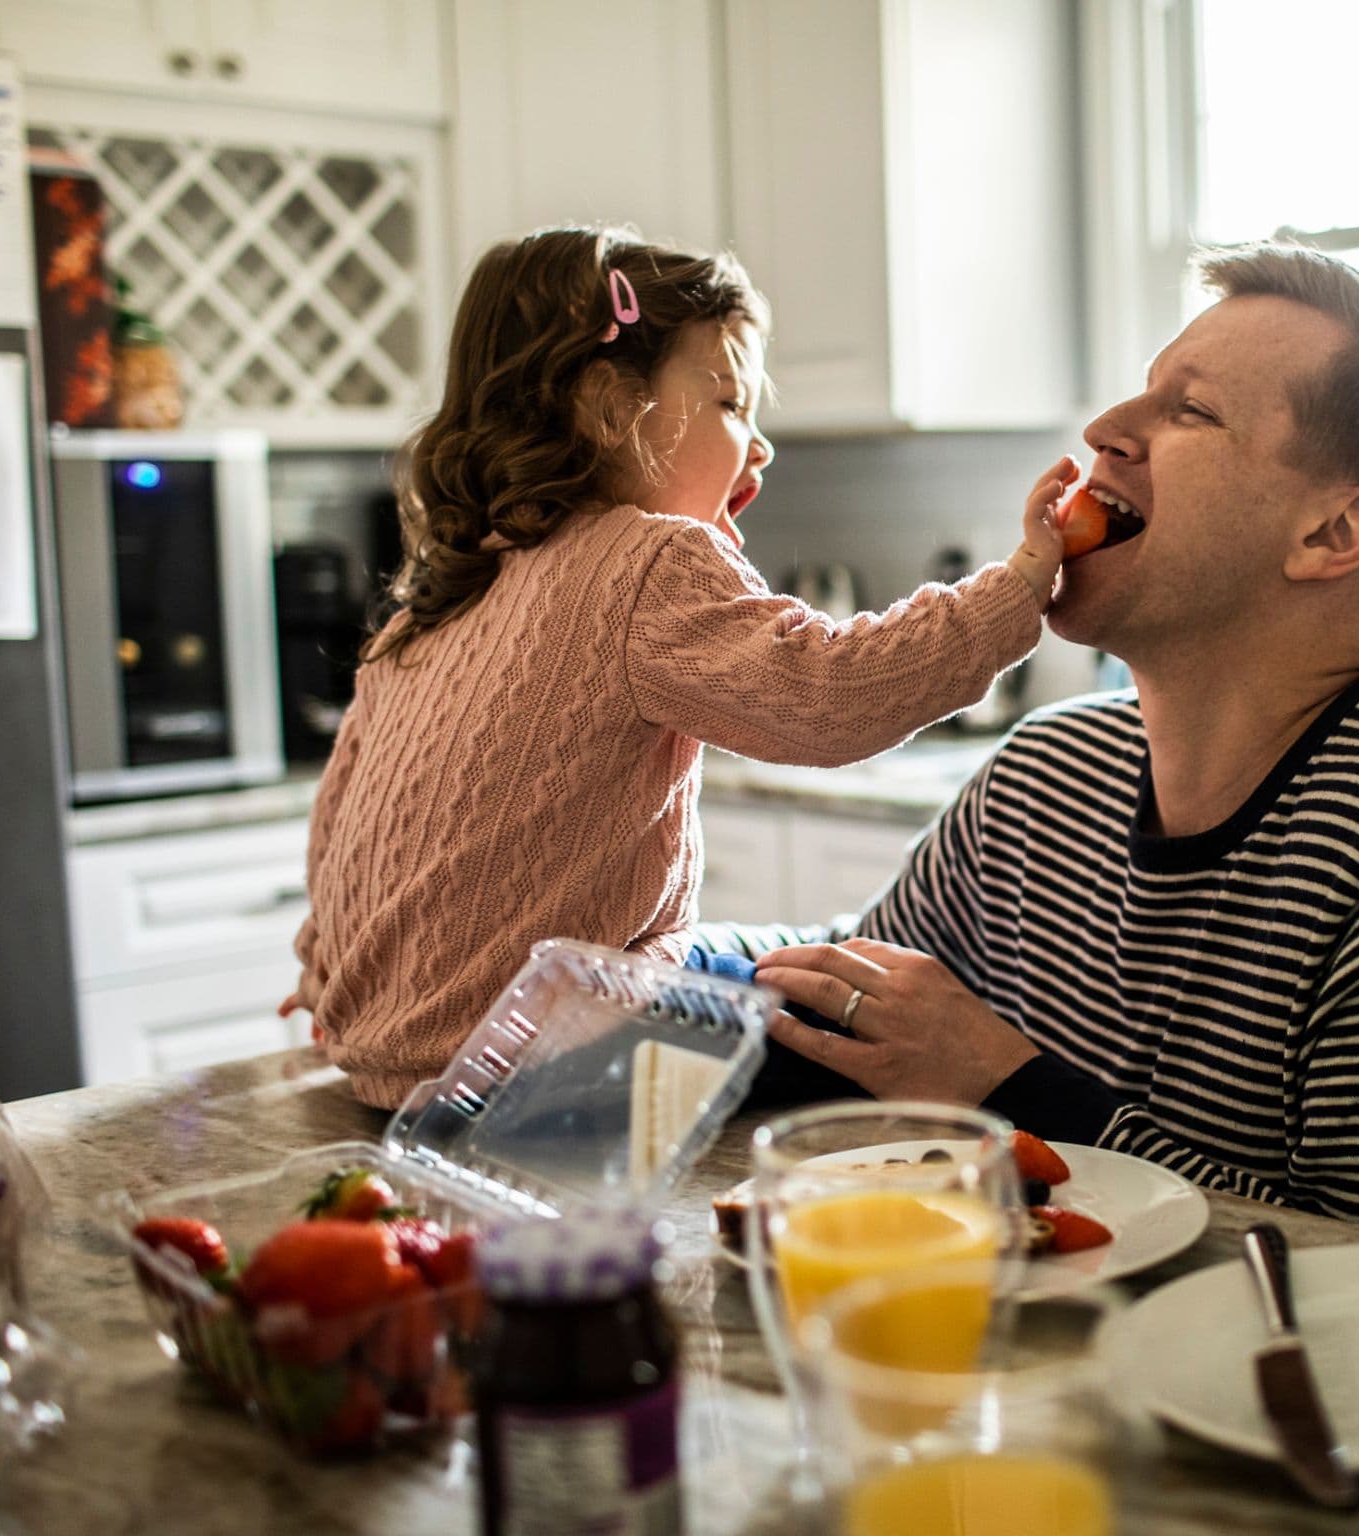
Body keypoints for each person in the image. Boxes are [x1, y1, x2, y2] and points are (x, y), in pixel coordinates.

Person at [705, 243, 1359, 1278]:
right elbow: (856, 1003)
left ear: (1333, 531)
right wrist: (617, 962)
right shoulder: (1048, 777)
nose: (1105, 430)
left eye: (1188, 411)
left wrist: (1006, 1086)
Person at [285, 226, 1072, 1109]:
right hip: (557, 1058)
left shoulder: (432, 604)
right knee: (873, 1026)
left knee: (762, 960)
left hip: (391, 1065)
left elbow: (340, 833)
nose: (761, 446)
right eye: (732, 404)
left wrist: (332, 974)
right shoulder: (644, 564)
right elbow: (829, 695)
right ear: (608, 405)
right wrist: (1020, 586)